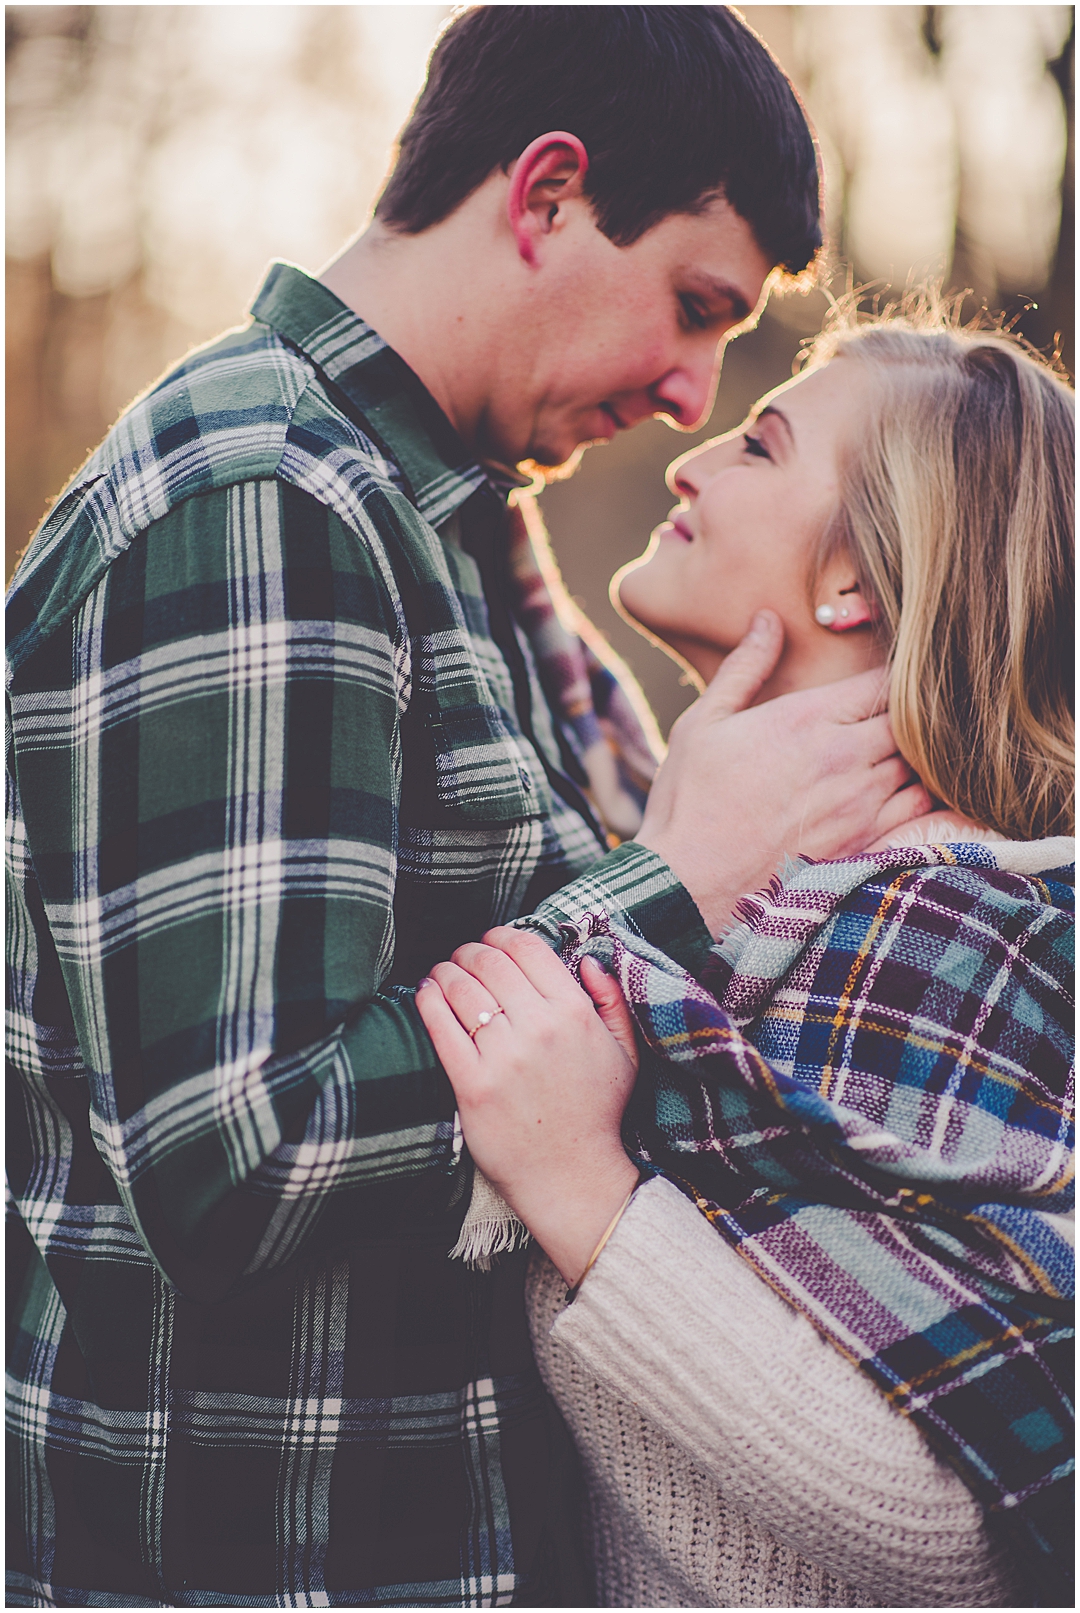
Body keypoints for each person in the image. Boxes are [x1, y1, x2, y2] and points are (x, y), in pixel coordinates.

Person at [4, 8, 936, 1608]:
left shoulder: (455, 526)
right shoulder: (266, 499)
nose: (689, 389)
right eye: (695, 308)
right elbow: (239, 1152)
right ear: (548, 195)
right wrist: (674, 881)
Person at [415, 309, 1075, 1607]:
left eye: (761, 446)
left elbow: (961, 1520)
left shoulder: (943, 935)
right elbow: (579, 715)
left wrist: (586, 1191)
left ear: (854, 585)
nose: (690, 461)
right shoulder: (750, 885)